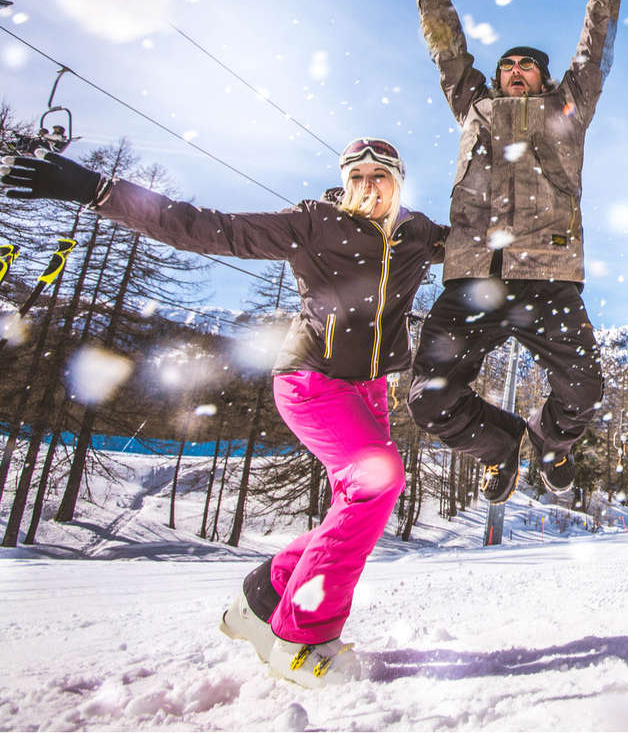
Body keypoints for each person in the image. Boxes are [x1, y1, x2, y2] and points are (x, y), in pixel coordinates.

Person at [0, 138, 448, 686]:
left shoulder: (417, 233)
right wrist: (99, 191)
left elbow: (484, 247)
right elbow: (208, 226)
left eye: (379, 175)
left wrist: (553, 232)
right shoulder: (314, 223)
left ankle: (265, 598)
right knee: (379, 481)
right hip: (313, 380)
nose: (367, 186)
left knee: (361, 503)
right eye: (357, 176)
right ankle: (302, 639)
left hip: (372, 389)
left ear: (398, 182)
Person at [404, 0, 618, 503]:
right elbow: (449, 52)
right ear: (497, 78)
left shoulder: (566, 110)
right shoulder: (475, 108)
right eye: (508, 65)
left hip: (549, 273)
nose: (516, 70)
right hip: (473, 274)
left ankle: (551, 444)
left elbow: (593, 53)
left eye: (527, 65)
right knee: (429, 398)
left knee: (585, 392)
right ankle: (500, 448)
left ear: (544, 77)